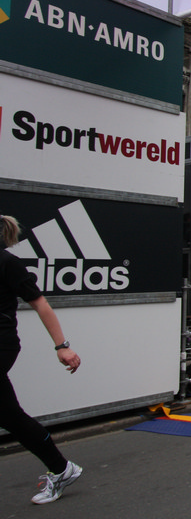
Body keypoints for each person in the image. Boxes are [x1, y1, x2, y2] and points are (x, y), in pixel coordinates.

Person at [1, 213, 83, 505]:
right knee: (10, 416)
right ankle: (61, 469)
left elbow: (40, 303)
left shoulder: (7, 263)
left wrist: (62, 346)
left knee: (10, 415)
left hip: (1, 344)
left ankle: (61, 469)